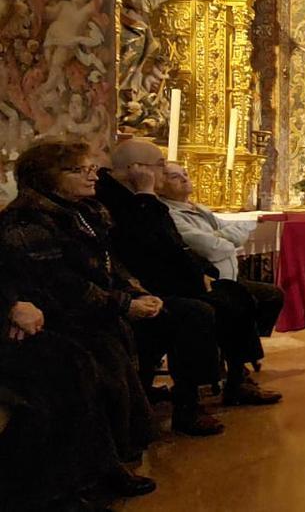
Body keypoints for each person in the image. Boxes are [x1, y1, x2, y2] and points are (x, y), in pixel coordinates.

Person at [0, 138, 158, 509]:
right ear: (47, 178)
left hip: (54, 310)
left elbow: (106, 265)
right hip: (54, 313)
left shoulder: (86, 211)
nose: (92, 176)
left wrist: (130, 292)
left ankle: (106, 463)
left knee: (107, 347)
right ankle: (69, 483)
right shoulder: (25, 220)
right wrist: (13, 307)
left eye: (92, 169)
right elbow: (57, 282)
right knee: (81, 360)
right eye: (80, 169)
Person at [94, 139, 281, 437]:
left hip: (173, 278)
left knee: (236, 295)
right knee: (198, 313)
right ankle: (188, 403)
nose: (163, 172)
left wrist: (203, 272)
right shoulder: (116, 199)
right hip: (148, 286)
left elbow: (175, 246)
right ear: (137, 169)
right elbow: (143, 243)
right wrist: (144, 194)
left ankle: (237, 379)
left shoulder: (140, 197)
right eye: (159, 166)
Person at [158, 162, 284, 336]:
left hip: (230, 278)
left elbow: (241, 232)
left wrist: (216, 235)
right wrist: (221, 238)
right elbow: (212, 248)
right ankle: (234, 347)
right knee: (238, 306)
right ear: (160, 185)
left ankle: (244, 343)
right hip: (209, 280)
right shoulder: (169, 214)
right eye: (175, 177)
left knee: (272, 296)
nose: (184, 179)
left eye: (185, 173)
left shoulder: (198, 208)